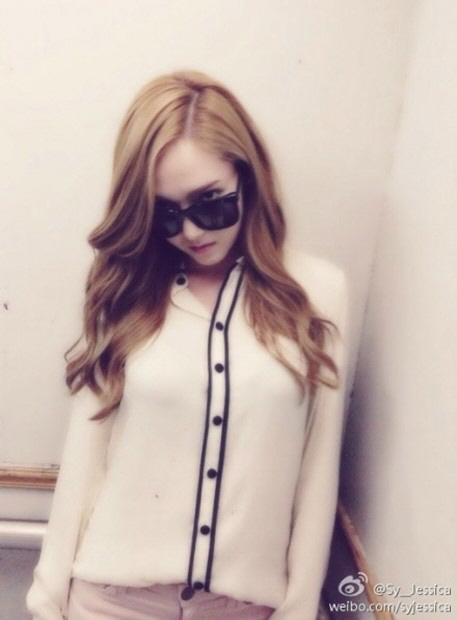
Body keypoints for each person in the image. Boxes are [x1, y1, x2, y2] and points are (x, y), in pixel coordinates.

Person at [27, 70, 348, 620]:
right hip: (110, 602)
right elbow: (86, 456)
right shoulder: (126, 291)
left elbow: (317, 469)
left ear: (248, 175)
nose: (192, 232)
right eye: (167, 214)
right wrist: (47, 600)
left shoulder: (318, 293)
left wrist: (297, 609)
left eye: (210, 203)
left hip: (243, 608)